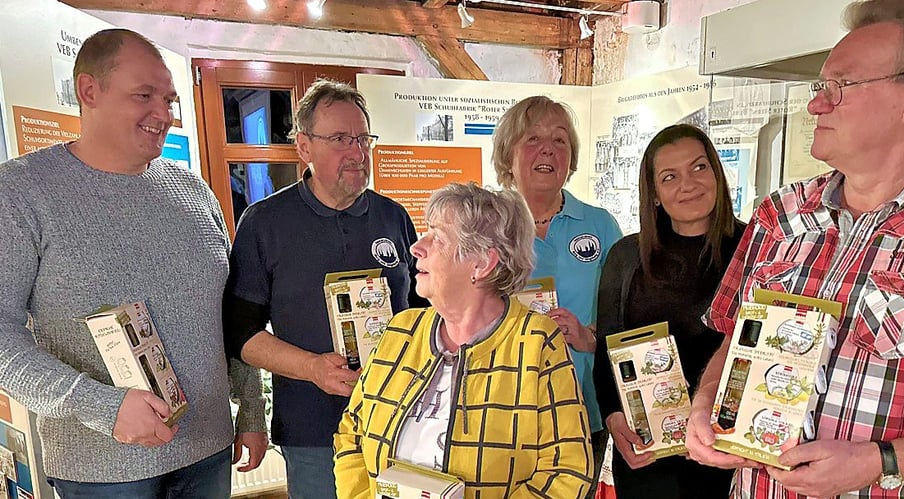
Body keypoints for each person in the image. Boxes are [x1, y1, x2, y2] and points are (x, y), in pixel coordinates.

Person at [685, 1, 904, 498]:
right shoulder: (781, 215)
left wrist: (879, 462)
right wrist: (707, 404)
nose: (816, 104)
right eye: (820, 87)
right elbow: (737, 341)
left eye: (839, 87)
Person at [0, 29, 267, 498]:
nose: (162, 115)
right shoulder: (21, 194)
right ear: (89, 91)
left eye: (168, 99)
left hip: (208, 449)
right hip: (102, 466)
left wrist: (248, 410)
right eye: (143, 95)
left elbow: (227, 313)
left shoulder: (193, 191)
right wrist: (102, 406)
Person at [223, 79, 425, 499]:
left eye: (362, 138)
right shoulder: (265, 223)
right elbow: (241, 335)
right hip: (313, 432)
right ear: (304, 148)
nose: (357, 151)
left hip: (401, 422)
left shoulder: (394, 218)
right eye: (339, 139)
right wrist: (313, 368)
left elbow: (424, 315)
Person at [333, 182, 593, 498]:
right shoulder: (401, 330)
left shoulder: (536, 342)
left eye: (437, 237)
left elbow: (567, 470)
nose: (417, 247)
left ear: (482, 264)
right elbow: (352, 431)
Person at [594, 124, 743, 498]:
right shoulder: (626, 257)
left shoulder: (754, 249)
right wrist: (613, 416)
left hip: (728, 449)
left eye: (699, 167)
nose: (688, 184)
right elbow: (605, 348)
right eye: (669, 177)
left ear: (716, 173)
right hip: (649, 452)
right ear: (655, 194)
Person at [492, 95, 623, 482]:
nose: (547, 148)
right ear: (508, 155)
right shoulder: (486, 223)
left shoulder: (600, 226)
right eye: (532, 138)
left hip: (582, 405)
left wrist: (590, 336)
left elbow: (622, 312)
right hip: (502, 403)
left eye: (560, 140)